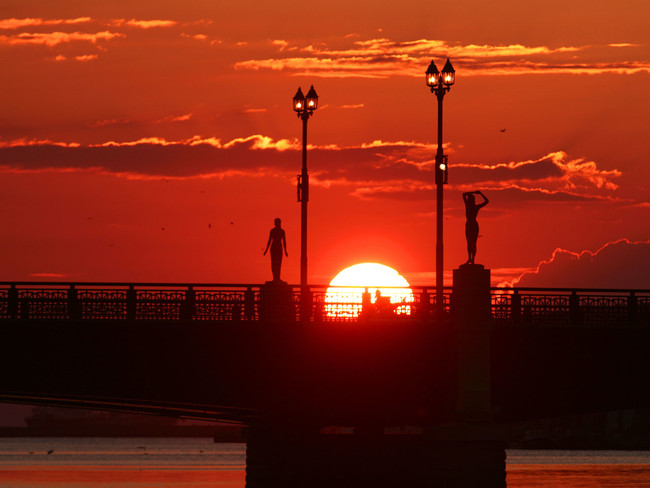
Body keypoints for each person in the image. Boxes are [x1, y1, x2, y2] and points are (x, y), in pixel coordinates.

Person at [462, 191, 489, 265]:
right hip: (469, 224)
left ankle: (472, 259)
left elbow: (487, 201)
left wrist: (480, 193)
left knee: (473, 243)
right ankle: (469, 258)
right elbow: (463, 194)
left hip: (473, 225)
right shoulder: (468, 205)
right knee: (469, 242)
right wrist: (476, 192)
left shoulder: (475, 207)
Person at [263, 218, 288, 282]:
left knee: (279, 264)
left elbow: (284, 241)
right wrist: (266, 250)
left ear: (279, 223)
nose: (276, 223)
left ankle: (278, 278)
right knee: (273, 263)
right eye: (275, 222)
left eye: (277, 222)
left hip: (279, 247)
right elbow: (269, 240)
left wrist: (285, 251)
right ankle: (274, 278)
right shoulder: (272, 231)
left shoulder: (282, 231)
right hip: (274, 247)